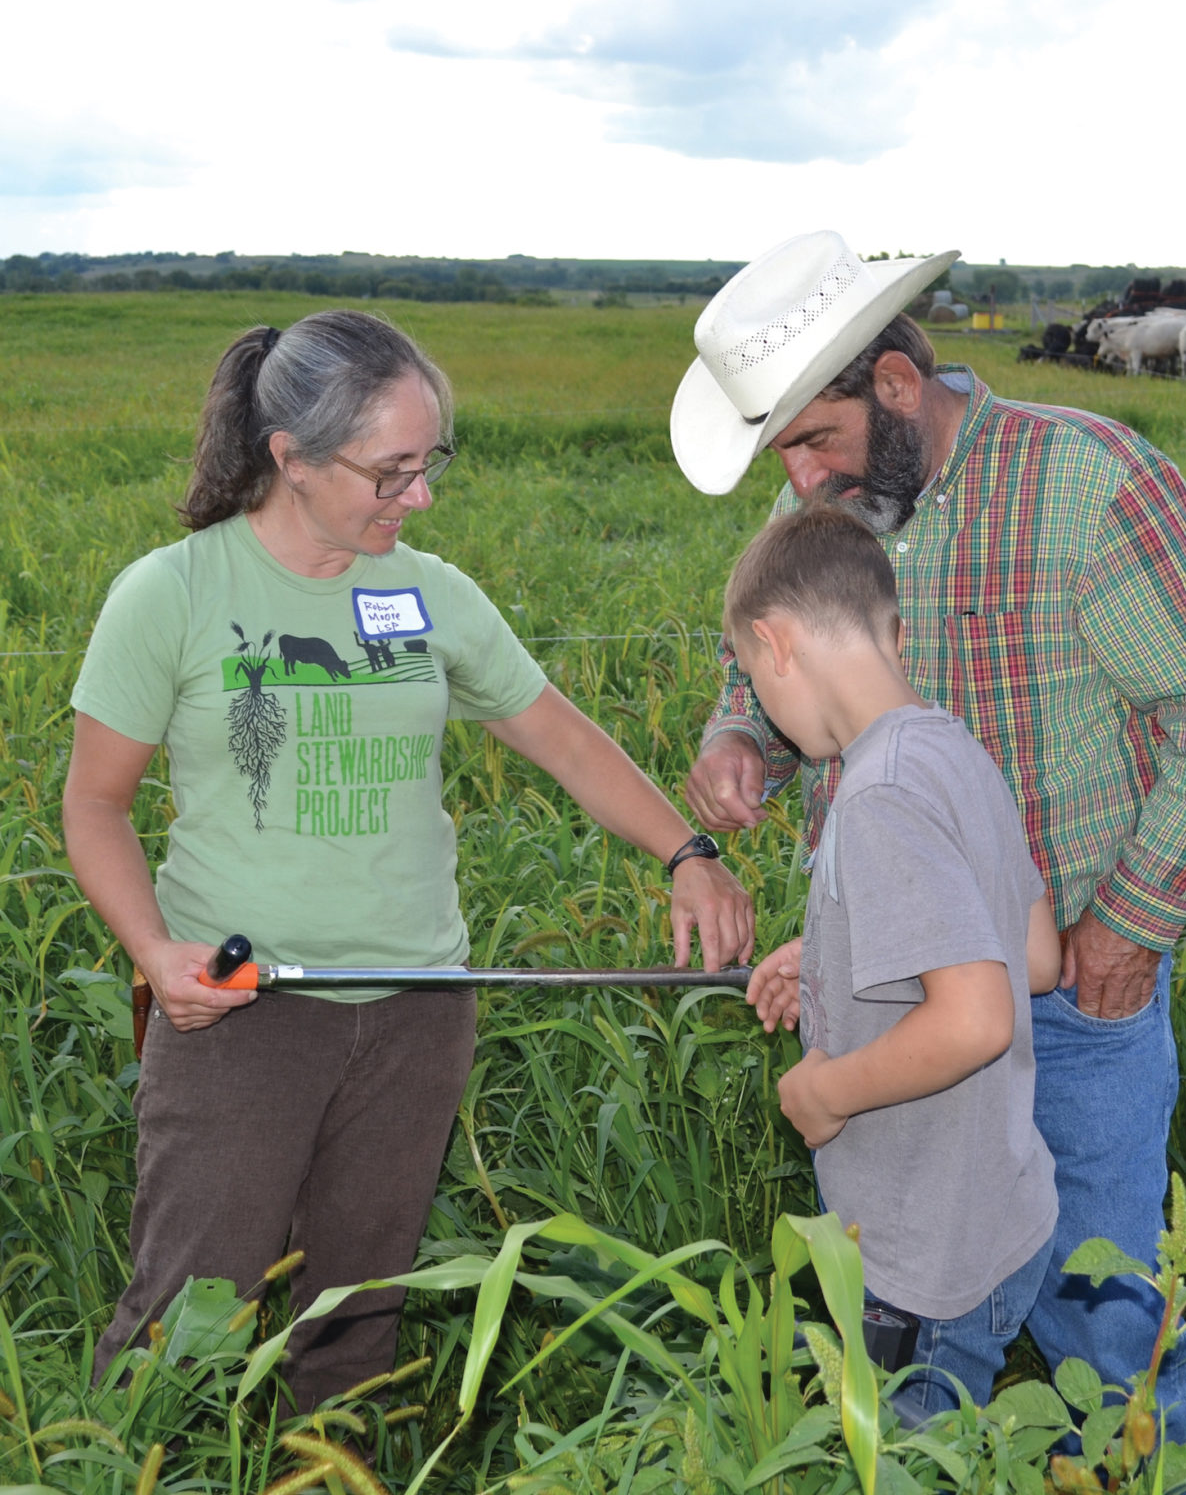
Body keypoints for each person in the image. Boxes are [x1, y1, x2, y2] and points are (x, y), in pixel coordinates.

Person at [63, 309, 754, 1413]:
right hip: (243, 1004)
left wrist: (690, 849)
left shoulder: (430, 593)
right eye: (389, 473)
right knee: (187, 1316)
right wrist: (153, 952)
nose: (418, 497)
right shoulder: (175, 593)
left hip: (421, 1007)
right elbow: (94, 805)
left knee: (359, 1310)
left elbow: (562, 733)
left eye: (429, 465)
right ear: (289, 458)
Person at [673, 231, 1186, 1439]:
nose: (801, 480)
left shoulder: (1092, 481)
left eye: (813, 440)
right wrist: (741, 731)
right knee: (919, 1281)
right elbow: (789, 648)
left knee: (1101, 1297)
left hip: (1073, 986)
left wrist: (1123, 933)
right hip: (894, 991)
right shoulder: (852, 502)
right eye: (783, 449)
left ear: (895, 388)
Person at [727, 502, 1061, 1416]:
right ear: (891, 629)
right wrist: (836, 953)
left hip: (925, 1262)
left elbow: (976, 1018)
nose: (763, 706)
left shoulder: (875, 797)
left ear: (777, 644)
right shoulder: (951, 748)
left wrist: (824, 1092)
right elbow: (1031, 953)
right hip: (1002, 1211)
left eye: (754, 679)